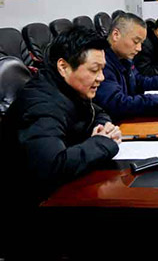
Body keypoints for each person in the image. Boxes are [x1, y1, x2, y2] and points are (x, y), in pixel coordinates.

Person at [1, 27, 122, 206]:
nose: (101, 78)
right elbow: (52, 167)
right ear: (63, 67)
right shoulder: (41, 106)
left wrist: (103, 127)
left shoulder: (68, 89)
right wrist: (103, 143)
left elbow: (98, 111)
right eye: (94, 70)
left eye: (102, 69)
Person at [94, 13, 158, 121]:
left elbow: (139, 80)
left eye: (141, 43)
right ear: (116, 35)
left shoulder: (123, 58)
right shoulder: (101, 62)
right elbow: (118, 103)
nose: (139, 48)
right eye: (136, 42)